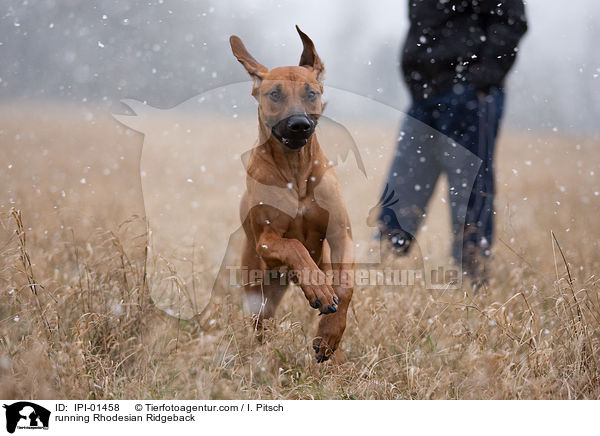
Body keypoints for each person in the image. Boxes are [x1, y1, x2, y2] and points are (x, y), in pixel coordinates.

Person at [379, 0, 528, 287]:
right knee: (403, 184)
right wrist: (418, 78)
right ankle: (379, 277)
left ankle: (474, 282)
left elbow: (510, 21)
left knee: (470, 189)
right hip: (425, 94)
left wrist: (482, 80)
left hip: (472, 94)